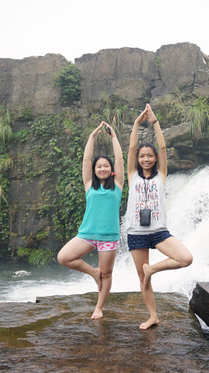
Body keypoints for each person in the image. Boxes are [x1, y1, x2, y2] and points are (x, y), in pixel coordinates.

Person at [125, 104, 193, 329]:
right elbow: (132, 147)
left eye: (150, 156)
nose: (146, 158)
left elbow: (163, 147)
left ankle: (152, 269)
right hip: (136, 233)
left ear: (155, 159)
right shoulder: (132, 175)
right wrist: (136, 123)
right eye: (143, 156)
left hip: (159, 231)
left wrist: (154, 122)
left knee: (185, 258)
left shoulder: (161, 176)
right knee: (142, 278)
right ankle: (152, 316)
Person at [57, 121, 124, 319]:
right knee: (64, 257)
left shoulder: (118, 185)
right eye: (99, 166)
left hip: (109, 237)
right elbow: (86, 160)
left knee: (107, 274)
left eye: (106, 166)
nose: (102, 168)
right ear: (94, 170)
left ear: (111, 169)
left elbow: (120, 159)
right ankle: (93, 273)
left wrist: (113, 137)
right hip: (87, 234)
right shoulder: (89, 185)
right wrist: (92, 137)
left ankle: (99, 308)